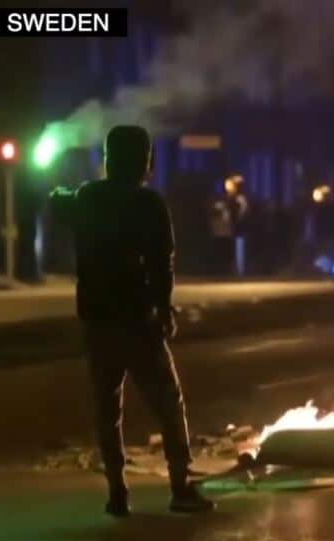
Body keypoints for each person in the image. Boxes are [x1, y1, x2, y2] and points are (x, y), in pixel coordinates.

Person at [51, 125, 215, 517]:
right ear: (144, 161)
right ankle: (180, 487)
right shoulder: (150, 205)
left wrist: (55, 190)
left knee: (107, 409)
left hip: (96, 320)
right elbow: (163, 265)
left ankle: (117, 493)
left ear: (108, 158)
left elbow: (60, 205)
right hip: (137, 320)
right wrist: (164, 308)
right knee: (168, 405)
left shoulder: (89, 197)